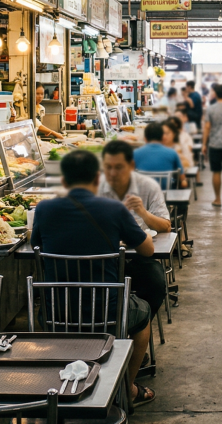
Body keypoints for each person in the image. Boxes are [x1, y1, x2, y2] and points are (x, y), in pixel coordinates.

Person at [31, 150, 157, 406]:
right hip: (106, 311)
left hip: (56, 313)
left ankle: (58, 385)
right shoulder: (113, 209)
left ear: (64, 181)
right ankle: (127, 390)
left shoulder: (43, 209)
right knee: (142, 317)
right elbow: (148, 250)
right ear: (98, 179)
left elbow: (37, 249)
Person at [99, 140, 171, 233]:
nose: (113, 173)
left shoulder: (149, 186)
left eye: (119, 167)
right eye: (108, 167)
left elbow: (166, 227)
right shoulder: (97, 187)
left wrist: (144, 213)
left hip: (143, 244)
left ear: (131, 166)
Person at [134, 121, 186, 189]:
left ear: (145, 139)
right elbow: (183, 180)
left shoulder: (135, 153)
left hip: (142, 196)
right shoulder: (172, 153)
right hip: (166, 195)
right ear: (163, 137)